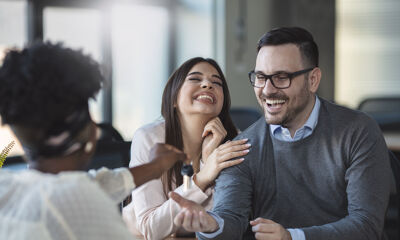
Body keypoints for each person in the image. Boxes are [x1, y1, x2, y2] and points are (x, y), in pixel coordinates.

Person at [169, 27, 393, 240]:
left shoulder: (358, 131)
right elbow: (231, 219)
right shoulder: (242, 147)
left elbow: (367, 225)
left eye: (281, 77)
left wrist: (293, 236)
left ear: (312, 80)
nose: (267, 90)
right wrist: (211, 225)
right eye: (260, 77)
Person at [0, 42, 187, 240]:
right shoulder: (80, 204)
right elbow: (81, 195)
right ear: (86, 129)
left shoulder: (8, 187)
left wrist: (154, 167)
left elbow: (94, 185)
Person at [122, 57, 250, 239]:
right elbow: (150, 228)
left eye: (216, 82)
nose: (207, 84)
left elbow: (228, 220)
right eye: (195, 79)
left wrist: (207, 159)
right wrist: (205, 175)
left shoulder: (235, 142)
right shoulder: (149, 138)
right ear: (174, 98)